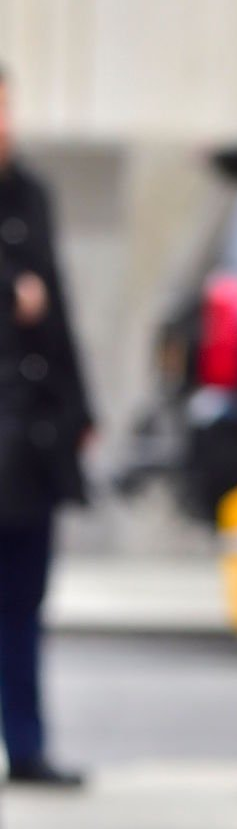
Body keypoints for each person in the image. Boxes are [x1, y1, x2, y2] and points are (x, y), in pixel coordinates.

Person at [0, 64, 93, 788]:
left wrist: (81, 409)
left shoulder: (31, 193)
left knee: (25, 602)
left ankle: (26, 745)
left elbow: (57, 309)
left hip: (32, 440)